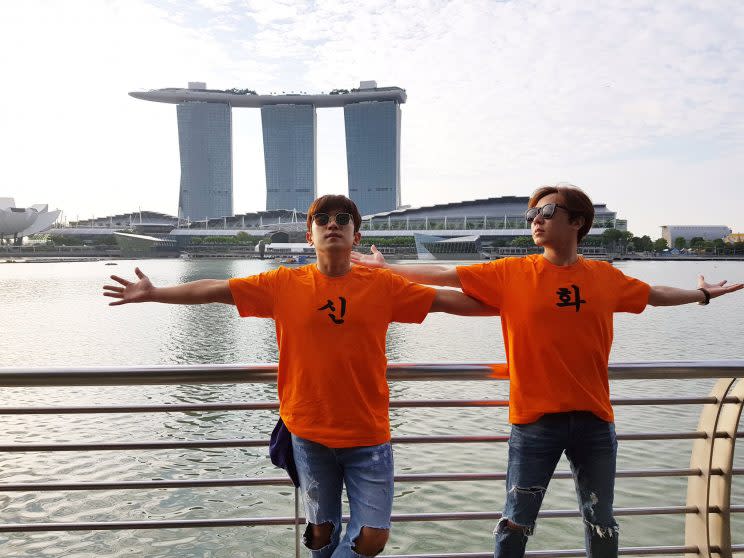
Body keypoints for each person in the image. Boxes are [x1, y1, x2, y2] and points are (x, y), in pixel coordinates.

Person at [351, 184, 743, 558]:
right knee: (515, 522)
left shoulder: (604, 277)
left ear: (577, 222)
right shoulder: (513, 273)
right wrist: (388, 270)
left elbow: (655, 295)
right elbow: (447, 276)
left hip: (594, 420)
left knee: (601, 521)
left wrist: (703, 294)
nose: (536, 219)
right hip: (534, 421)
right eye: (533, 214)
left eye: (548, 211)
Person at [103, 194, 498, 558]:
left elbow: (452, 302)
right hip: (308, 431)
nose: (332, 224)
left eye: (342, 219)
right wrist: (155, 293)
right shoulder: (283, 283)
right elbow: (214, 289)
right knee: (321, 533)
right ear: (310, 235)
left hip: (368, 433)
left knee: (372, 537)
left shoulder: (384, 286)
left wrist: (520, 303)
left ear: (355, 235)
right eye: (322, 219)